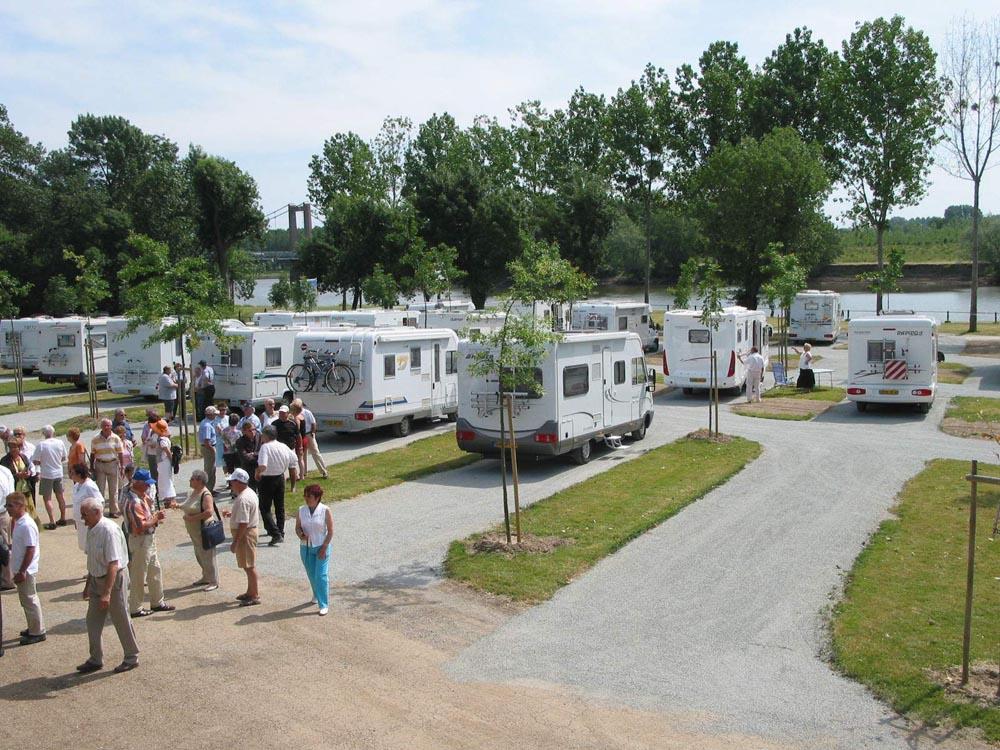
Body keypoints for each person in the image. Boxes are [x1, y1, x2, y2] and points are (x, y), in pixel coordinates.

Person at [78, 496, 140, 674]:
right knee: (92, 621)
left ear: (97, 512)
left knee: (121, 619)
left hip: (113, 580)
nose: (83, 519)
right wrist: (88, 585)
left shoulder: (109, 531)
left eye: (85, 515)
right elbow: (92, 560)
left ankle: (132, 657)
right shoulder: (92, 528)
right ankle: (95, 659)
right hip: (97, 580)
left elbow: (113, 564)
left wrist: (107, 593)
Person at [123, 468, 174, 618]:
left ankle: (157, 602)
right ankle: (135, 607)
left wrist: (153, 514)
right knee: (139, 574)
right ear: (138, 483)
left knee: (155, 570)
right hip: (140, 540)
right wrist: (156, 518)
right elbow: (141, 525)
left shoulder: (139, 496)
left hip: (148, 540)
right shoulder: (134, 502)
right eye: (146, 484)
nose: (148, 487)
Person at [6, 491, 46, 643]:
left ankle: (37, 632)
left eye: (11, 506)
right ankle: (33, 626)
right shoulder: (18, 522)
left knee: (30, 599)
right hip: (21, 568)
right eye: (7, 505)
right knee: (26, 600)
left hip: (26, 570)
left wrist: (22, 571)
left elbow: (31, 549)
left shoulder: (27, 525)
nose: (8, 509)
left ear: (21, 506)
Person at [294, 484, 333, 616]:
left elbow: (331, 532)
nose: (306, 498)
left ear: (317, 498)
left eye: (309, 496)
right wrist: (301, 535)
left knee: (320, 575)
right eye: (305, 495)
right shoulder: (301, 510)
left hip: (321, 546)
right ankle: (316, 594)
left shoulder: (325, 510)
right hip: (305, 547)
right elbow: (297, 528)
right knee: (311, 574)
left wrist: (324, 547)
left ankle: (324, 604)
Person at [223, 469, 260, 606]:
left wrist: (235, 542)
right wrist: (232, 513)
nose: (230, 484)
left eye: (232, 482)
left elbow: (244, 523)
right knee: (247, 565)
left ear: (238, 482)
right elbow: (245, 515)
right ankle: (250, 592)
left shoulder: (243, 498)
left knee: (249, 566)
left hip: (246, 535)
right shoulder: (249, 493)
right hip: (249, 532)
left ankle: (254, 595)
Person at [256, 426, 298, 546]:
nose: (261, 437)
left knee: (265, 508)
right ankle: (280, 531)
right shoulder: (283, 446)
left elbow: (263, 466)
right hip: (280, 477)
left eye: (262, 435)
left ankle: (275, 533)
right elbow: (293, 459)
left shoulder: (265, 447)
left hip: (267, 479)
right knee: (280, 507)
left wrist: (257, 472)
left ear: (266, 436)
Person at [182, 470, 219, 591]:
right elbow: (188, 504)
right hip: (194, 531)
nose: (190, 480)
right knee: (199, 554)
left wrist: (192, 518)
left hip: (204, 529)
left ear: (199, 481)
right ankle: (206, 576)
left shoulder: (206, 494)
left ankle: (214, 581)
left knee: (208, 555)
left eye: (192, 479)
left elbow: (209, 512)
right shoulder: (192, 492)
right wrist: (177, 505)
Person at [32, 425, 68, 529]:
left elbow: (35, 461)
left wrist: (42, 462)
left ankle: (52, 521)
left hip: (47, 474)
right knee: (60, 496)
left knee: (47, 498)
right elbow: (64, 457)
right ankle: (63, 517)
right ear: (53, 432)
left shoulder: (41, 445)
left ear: (43, 434)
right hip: (58, 473)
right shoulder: (60, 443)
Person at [91, 418, 124, 517]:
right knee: (100, 489)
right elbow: (92, 453)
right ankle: (99, 511)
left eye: (108, 426)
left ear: (111, 427)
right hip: (100, 464)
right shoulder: (95, 439)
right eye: (104, 425)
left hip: (112, 464)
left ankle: (113, 511)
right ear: (101, 427)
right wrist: (91, 466)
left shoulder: (116, 438)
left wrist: (122, 466)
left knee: (113, 489)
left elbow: (120, 453)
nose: (106, 427)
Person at [2, 438, 38, 522]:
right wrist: (17, 476)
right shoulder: (4, 460)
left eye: (15, 447)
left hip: (26, 489)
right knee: (17, 512)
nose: (12, 449)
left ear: (19, 448)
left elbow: (30, 467)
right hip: (15, 491)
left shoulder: (23, 457)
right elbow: (4, 477)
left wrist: (29, 474)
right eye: (10, 448)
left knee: (29, 510)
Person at [291, 400, 328, 480]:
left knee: (315, 452)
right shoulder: (294, 414)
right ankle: (304, 472)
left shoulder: (307, 412)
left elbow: (313, 423)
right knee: (303, 455)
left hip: (308, 434)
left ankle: (324, 471)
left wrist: (313, 433)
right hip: (301, 436)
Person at [69, 463, 102, 552]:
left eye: (72, 473)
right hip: (80, 522)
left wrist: (95, 521)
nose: (70, 475)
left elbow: (99, 503)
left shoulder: (90, 486)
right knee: (84, 546)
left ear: (79, 474)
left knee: (91, 547)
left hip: (89, 522)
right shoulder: (76, 485)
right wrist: (76, 520)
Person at [151, 420, 176, 506]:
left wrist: (171, 460)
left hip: (164, 461)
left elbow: (166, 450)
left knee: (164, 479)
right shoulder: (165, 438)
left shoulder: (162, 440)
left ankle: (168, 498)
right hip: (164, 461)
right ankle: (167, 498)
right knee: (164, 479)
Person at [0, 462, 15, 591]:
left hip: (2, 512)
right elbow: (11, 493)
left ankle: (8, 579)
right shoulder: (5, 471)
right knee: (6, 546)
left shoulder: (5, 471)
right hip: (4, 513)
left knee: (5, 547)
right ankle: (7, 578)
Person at [235, 421, 261, 491]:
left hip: (260, 468)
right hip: (249, 469)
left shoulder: (259, 436)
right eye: (249, 431)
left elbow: (264, 451)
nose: (252, 432)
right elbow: (244, 457)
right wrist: (258, 455)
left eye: (253, 429)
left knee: (262, 491)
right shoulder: (240, 442)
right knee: (251, 490)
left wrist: (253, 454)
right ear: (244, 431)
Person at [198, 405, 218, 491]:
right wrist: (213, 450)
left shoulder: (205, 422)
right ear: (210, 415)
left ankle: (210, 489)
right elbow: (207, 441)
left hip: (208, 448)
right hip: (209, 448)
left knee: (211, 469)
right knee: (209, 470)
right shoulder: (207, 426)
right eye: (214, 414)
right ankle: (207, 490)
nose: (216, 416)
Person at [141, 411, 160, 481]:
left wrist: (148, 442)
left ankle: (158, 488)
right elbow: (144, 439)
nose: (148, 425)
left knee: (157, 473)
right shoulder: (151, 430)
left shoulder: (158, 431)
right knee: (153, 473)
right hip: (150, 454)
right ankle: (156, 487)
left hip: (156, 454)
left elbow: (154, 444)